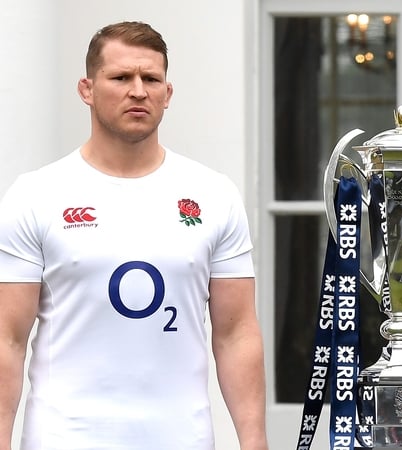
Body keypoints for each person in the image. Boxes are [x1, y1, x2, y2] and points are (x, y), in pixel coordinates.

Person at [0, 21, 268, 449]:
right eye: (121, 77)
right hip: (66, 439)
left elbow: (235, 334)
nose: (139, 90)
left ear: (168, 93)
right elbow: (8, 340)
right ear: (87, 89)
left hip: (182, 438)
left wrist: (255, 444)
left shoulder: (213, 194)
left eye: (151, 79)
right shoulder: (36, 195)